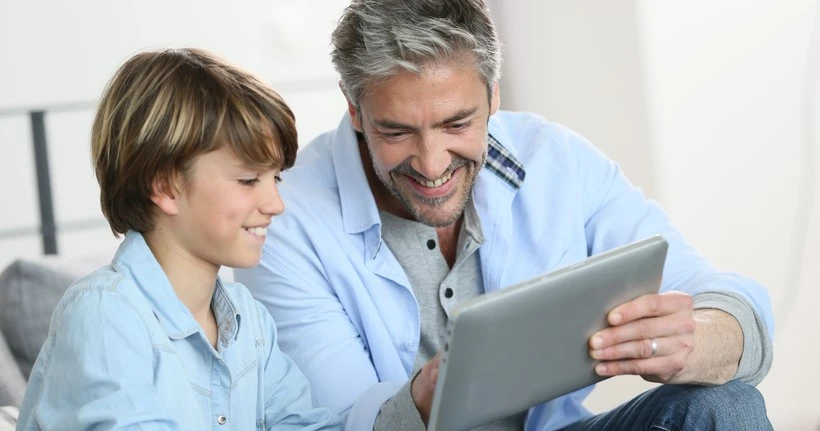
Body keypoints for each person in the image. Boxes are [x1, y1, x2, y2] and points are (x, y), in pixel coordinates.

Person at [235, 1, 775, 429]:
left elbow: (728, 301)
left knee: (725, 407)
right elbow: (335, 422)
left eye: (456, 124)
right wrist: (427, 400)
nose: (431, 164)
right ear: (355, 109)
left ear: (493, 96)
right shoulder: (286, 220)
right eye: (396, 131)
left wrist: (695, 343)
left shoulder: (554, 160)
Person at [15, 48, 341, 430]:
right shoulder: (104, 314)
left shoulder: (249, 320)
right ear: (167, 186)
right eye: (249, 180)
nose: (276, 204)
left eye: (276, 179)